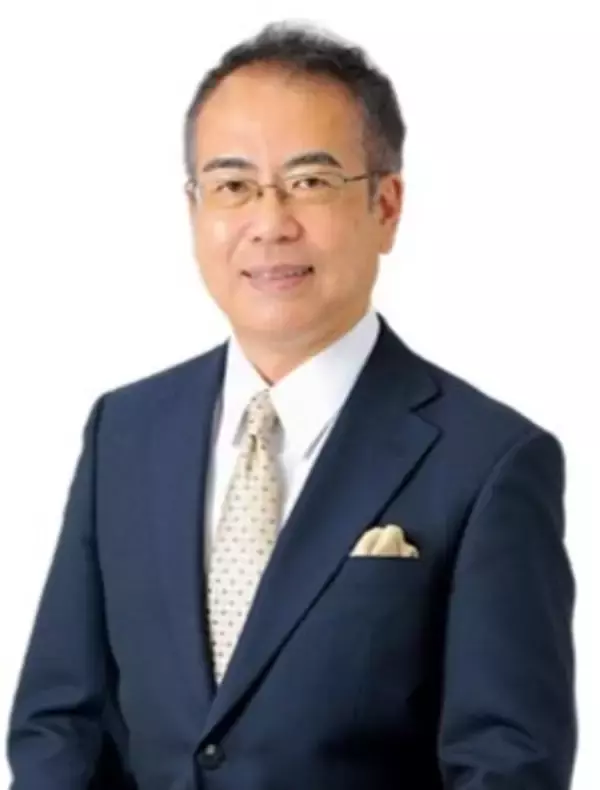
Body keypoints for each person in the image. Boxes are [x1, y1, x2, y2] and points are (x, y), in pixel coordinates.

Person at [7, 20, 577, 790]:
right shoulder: (126, 431)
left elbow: (506, 768)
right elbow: (60, 726)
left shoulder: (488, 461)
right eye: (233, 185)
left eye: (310, 182)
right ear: (194, 208)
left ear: (386, 205)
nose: (270, 223)